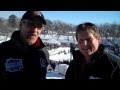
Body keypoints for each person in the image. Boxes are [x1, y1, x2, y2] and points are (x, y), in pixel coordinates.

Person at [0, 11, 49, 80]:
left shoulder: (44, 53)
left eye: (39, 25)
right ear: (21, 25)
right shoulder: (3, 50)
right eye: (30, 24)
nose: (35, 29)